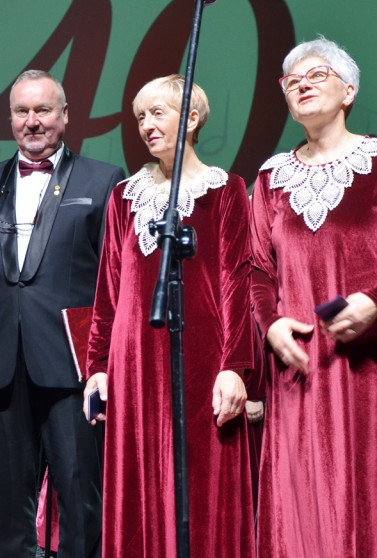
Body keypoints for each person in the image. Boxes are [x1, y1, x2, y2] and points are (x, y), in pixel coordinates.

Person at [250, 37, 377, 557]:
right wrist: (269, 324)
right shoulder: (269, 178)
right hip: (302, 361)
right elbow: (256, 268)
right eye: (292, 80)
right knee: (305, 500)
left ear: (349, 89)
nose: (302, 84)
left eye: (317, 74)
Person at [84, 75, 256, 558]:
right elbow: (108, 289)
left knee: (201, 485)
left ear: (193, 119)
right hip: (134, 365)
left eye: (158, 113)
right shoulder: (123, 196)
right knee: (139, 484)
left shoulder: (225, 190)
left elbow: (236, 284)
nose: (146, 125)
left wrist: (234, 367)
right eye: (141, 116)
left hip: (202, 359)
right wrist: (98, 368)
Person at [0, 69, 123, 557]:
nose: (33, 121)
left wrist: (105, 362)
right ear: (10, 119)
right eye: (22, 112)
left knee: (80, 498)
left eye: (43, 110)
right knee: (7, 506)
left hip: (74, 367)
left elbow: (117, 279)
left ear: (65, 116)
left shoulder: (105, 180)